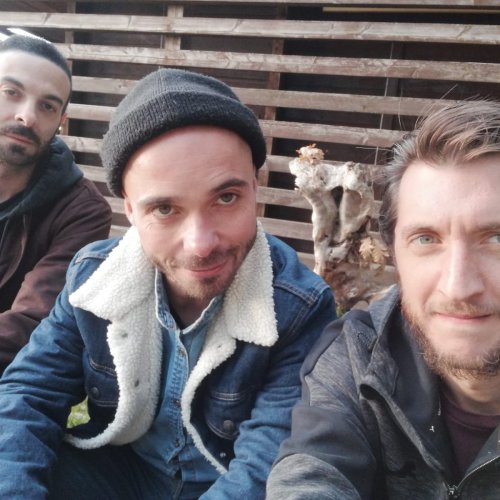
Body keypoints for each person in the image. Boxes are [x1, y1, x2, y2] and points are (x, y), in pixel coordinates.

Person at [0, 67, 336, 499]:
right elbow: (28, 394)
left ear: (255, 188)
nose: (200, 244)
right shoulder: (93, 279)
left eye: (226, 198)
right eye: (164, 209)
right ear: (130, 211)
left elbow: (265, 462)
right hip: (117, 475)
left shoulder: (300, 305)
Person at [266, 100, 500, 499]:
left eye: (495, 238)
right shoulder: (358, 356)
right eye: (425, 239)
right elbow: (310, 474)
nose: (458, 287)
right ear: (395, 255)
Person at [0, 34, 112, 374]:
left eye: (47, 106)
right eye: (11, 92)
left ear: (61, 120)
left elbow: (33, 321)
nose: (26, 117)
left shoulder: (82, 211)